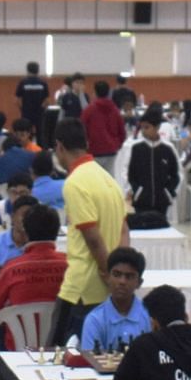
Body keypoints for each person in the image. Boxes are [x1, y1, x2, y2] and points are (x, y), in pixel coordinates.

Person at [48, 120, 131, 347]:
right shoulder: (108, 180)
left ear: (59, 147)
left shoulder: (75, 183)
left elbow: (92, 238)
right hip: (105, 290)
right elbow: (124, 229)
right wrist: (120, 273)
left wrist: (108, 272)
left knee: (59, 356)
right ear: (86, 143)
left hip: (81, 288)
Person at [0, 204, 67, 351]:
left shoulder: (11, 268)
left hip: (17, 352)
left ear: (25, 231)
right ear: (58, 231)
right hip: (60, 352)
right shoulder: (71, 266)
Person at [79, 248, 151, 353]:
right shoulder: (94, 320)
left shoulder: (149, 315)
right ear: (107, 277)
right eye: (117, 275)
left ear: (139, 283)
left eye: (129, 276)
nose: (122, 281)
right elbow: (91, 363)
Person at [117, 111, 180, 216]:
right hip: (140, 201)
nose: (143, 131)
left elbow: (176, 173)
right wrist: (134, 191)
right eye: (142, 128)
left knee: (161, 229)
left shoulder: (168, 149)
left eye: (147, 127)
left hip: (162, 201)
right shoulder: (135, 148)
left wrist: (169, 193)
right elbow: (127, 172)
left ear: (157, 127)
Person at [0, 196, 41, 271]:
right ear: (12, 217)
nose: (28, 219)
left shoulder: (41, 245)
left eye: (32, 216)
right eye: (24, 215)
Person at [81, 81, 125, 169]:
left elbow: (81, 128)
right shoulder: (115, 110)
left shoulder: (89, 110)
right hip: (112, 150)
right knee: (109, 178)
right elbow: (122, 131)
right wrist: (117, 144)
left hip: (94, 150)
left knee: (95, 179)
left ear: (95, 93)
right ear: (108, 92)